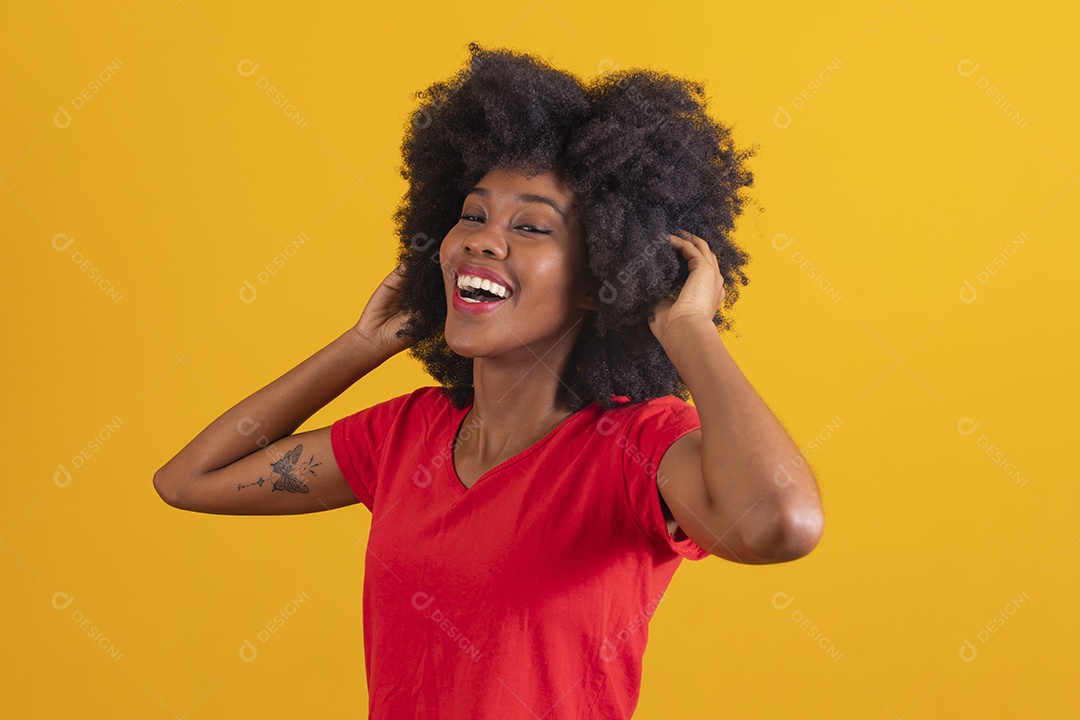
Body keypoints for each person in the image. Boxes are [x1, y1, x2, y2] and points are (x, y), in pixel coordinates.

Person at [153, 43, 824, 718]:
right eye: (473, 215)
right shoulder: (403, 435)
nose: (482, 239)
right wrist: (359, 348)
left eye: (530, 226)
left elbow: (781, 525)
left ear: (599, 281)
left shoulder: (638, 451)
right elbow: (189, 481)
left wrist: (687, 331)